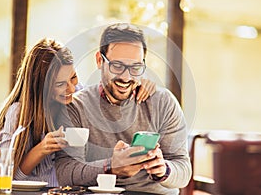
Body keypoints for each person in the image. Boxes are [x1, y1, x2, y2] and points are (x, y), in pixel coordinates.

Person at [0, 37, 155, 189]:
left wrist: (138, 83)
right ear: (42, 86)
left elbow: (105, 95)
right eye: (60, 84)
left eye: (73, 77)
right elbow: (6, 176)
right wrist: (42, 149)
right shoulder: (19, 113)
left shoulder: (77, 97)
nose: (71, 88)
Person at [55, 23, 192, 194]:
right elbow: (66, 172)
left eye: (135, 67)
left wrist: (163, 169)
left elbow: (184, 170)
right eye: (117, 66)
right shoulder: (76, 107)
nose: (126, 77)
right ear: (99, 60)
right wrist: (111, 166)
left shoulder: (163, 102)